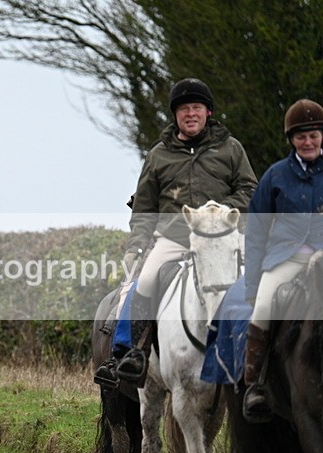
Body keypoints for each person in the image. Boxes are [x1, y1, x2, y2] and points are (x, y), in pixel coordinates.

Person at [94, 78, 258, 388]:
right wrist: (136, 246)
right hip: (175, 238)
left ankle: (260, 359)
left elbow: (249, 189)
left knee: (257, 282)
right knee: (142, 280)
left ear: (208, 112)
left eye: (197, 107)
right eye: (184, 109)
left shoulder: (231, 148)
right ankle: (128, 353)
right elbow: (144, 208)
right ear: (175, 115)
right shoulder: (158, 155)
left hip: (222, 237)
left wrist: (220, 212)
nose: (191, 113)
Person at [242, 98, 323, 423]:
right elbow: (256, 229)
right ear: (291, 139)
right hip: (286, 256)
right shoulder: (276, 175)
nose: (308, 142)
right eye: (301, 136)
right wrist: (252, 283)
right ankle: (255, 384)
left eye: (314, 135)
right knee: (263, 306)